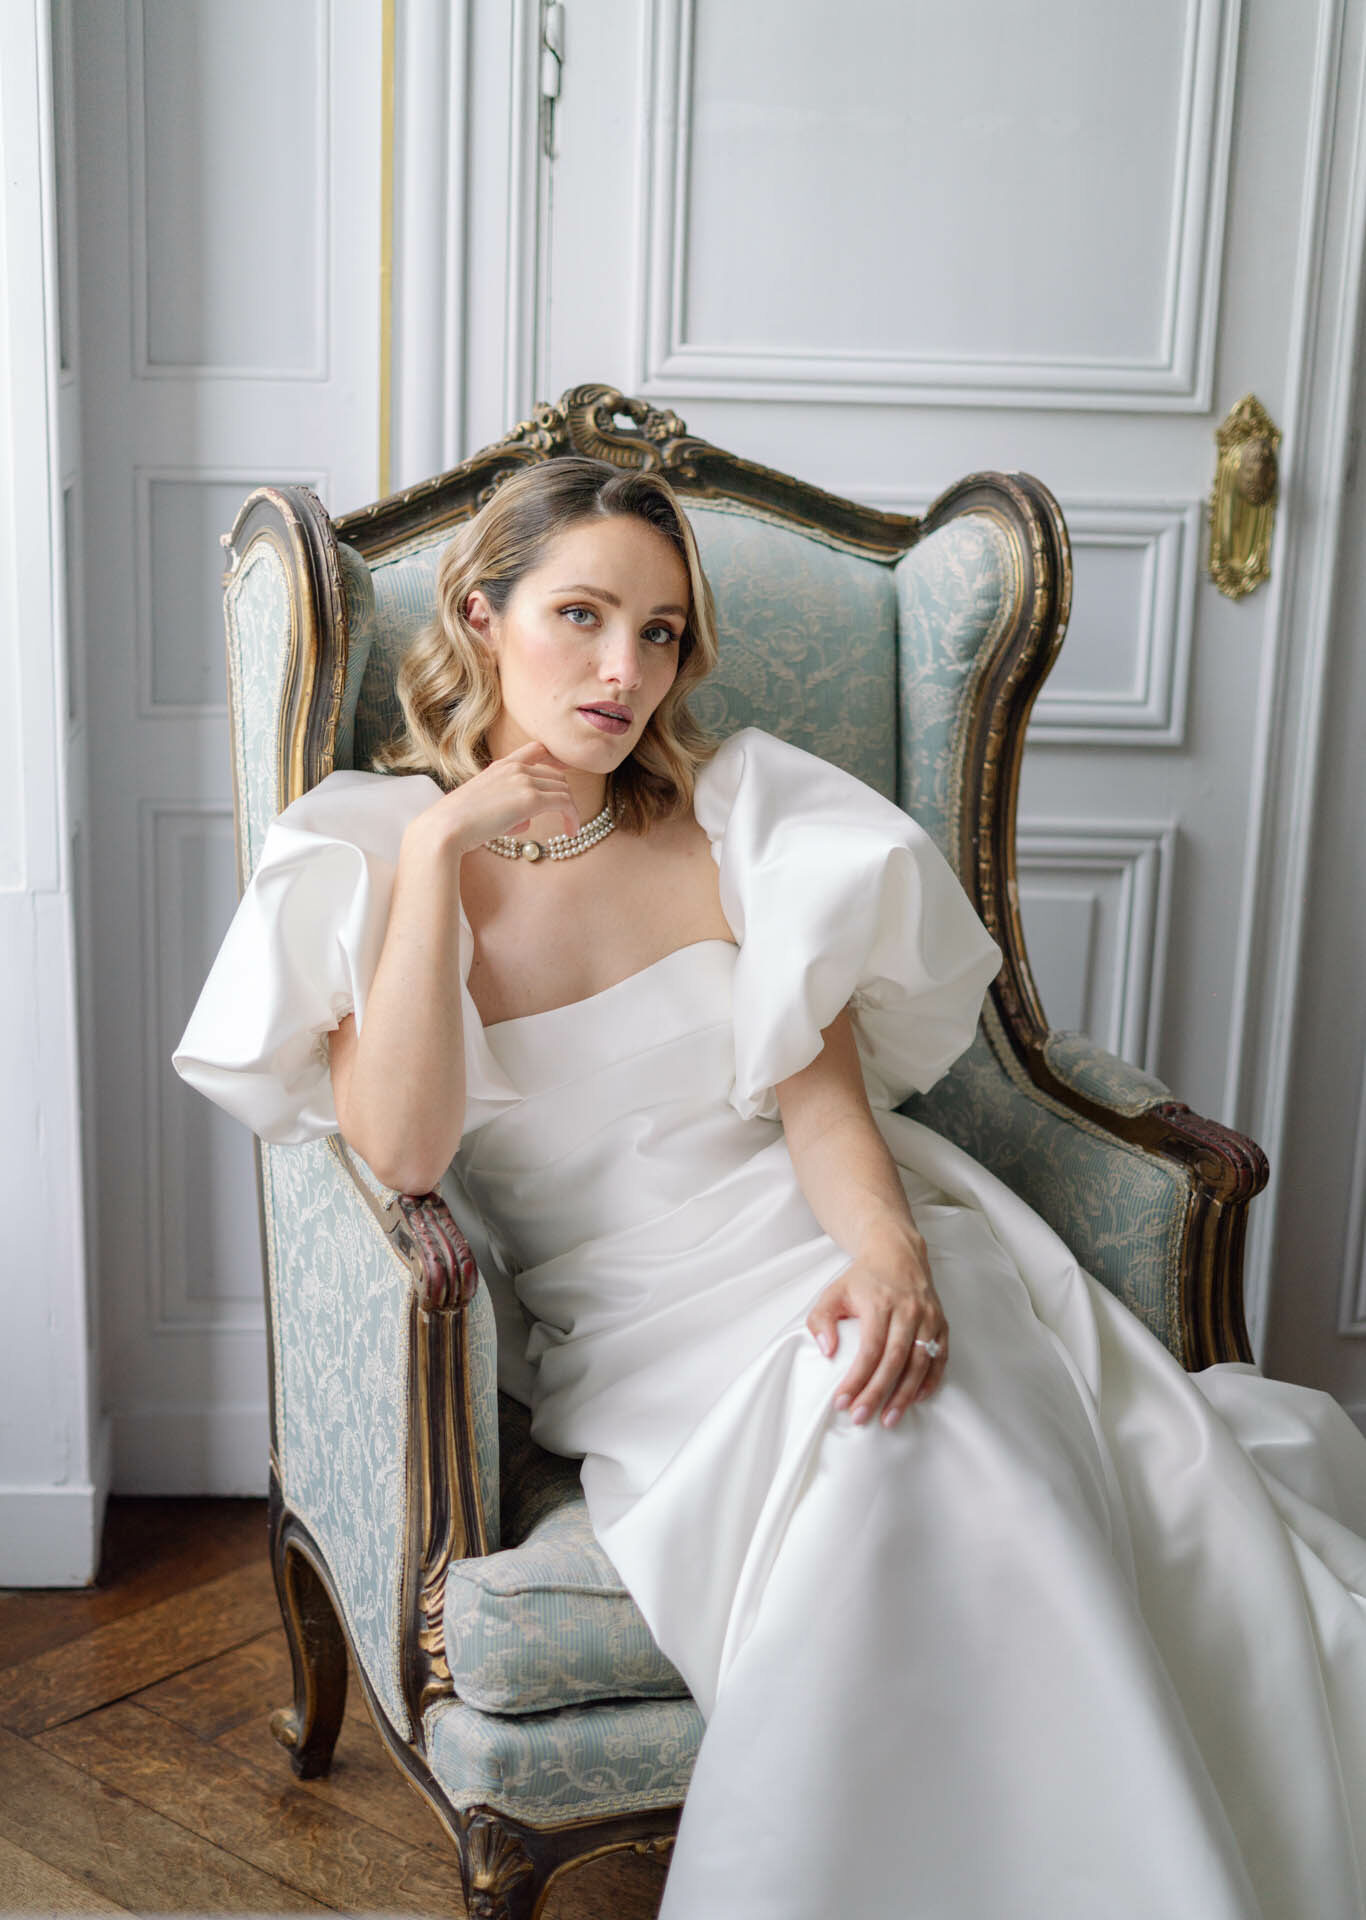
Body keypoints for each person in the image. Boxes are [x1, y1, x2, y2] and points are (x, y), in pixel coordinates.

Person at [174, 455, 1366, 1920]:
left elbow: (823, 1108)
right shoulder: (371, 847)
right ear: (480, 615)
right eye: (583, 616)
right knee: (883, 1459)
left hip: (834, 1234)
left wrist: (889, 1261)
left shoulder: (732, 819)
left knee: (930, 1411)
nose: (625, 670)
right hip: (641, 1331)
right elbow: (404, 1154)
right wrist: (440, 848)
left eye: (663, 631)